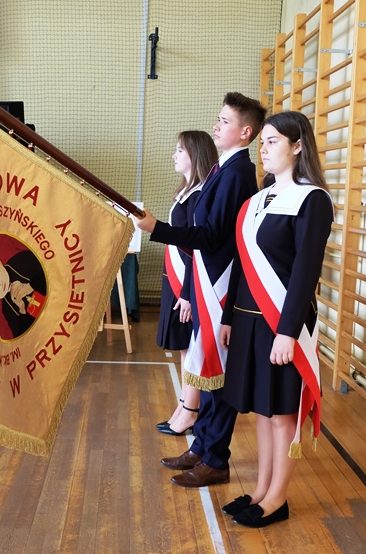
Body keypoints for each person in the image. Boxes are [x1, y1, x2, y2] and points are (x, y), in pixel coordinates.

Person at [136, 92, 266, 487]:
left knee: (217, 376)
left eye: (225, 121)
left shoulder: (238, 173)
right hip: (207, 283)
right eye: (218, 118)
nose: (216, 125)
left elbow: (210, 237)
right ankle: (202, 446)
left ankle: (216, 459)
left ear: (245, 132)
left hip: (221, 287)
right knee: (207, 374)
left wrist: (157, 229)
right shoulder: (222, 169)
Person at [218, 111, 332, 527]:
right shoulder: (257, 199)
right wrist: (228, 316)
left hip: (283, 324)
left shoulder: (311, 199)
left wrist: (287, 332)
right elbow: (242, 266)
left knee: (282, 415)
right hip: (248, 321)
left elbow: (305, 271)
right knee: (263, 413)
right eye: (262, 142)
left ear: (297, 146)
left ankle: (277, 499)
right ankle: (261, 490)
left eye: (272, 142)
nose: (263, 149)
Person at [155, 131, 218, 437]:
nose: (174, 155)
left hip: (188, 283)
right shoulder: (187, 191)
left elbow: (196, 248)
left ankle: (191, 410)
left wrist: (188, 293)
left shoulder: (199, 195)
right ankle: (184, 404)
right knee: (183, 347)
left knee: (191, 347)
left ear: (196, 154)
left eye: (180, 150)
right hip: (176, 279)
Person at [0, 250, 47, 338]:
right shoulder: (7, 309)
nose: (1, 284)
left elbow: (50, 263)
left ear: (0, 265)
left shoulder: (17, 261)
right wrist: (22, 309)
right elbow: (25, 337)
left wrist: (31, 285)